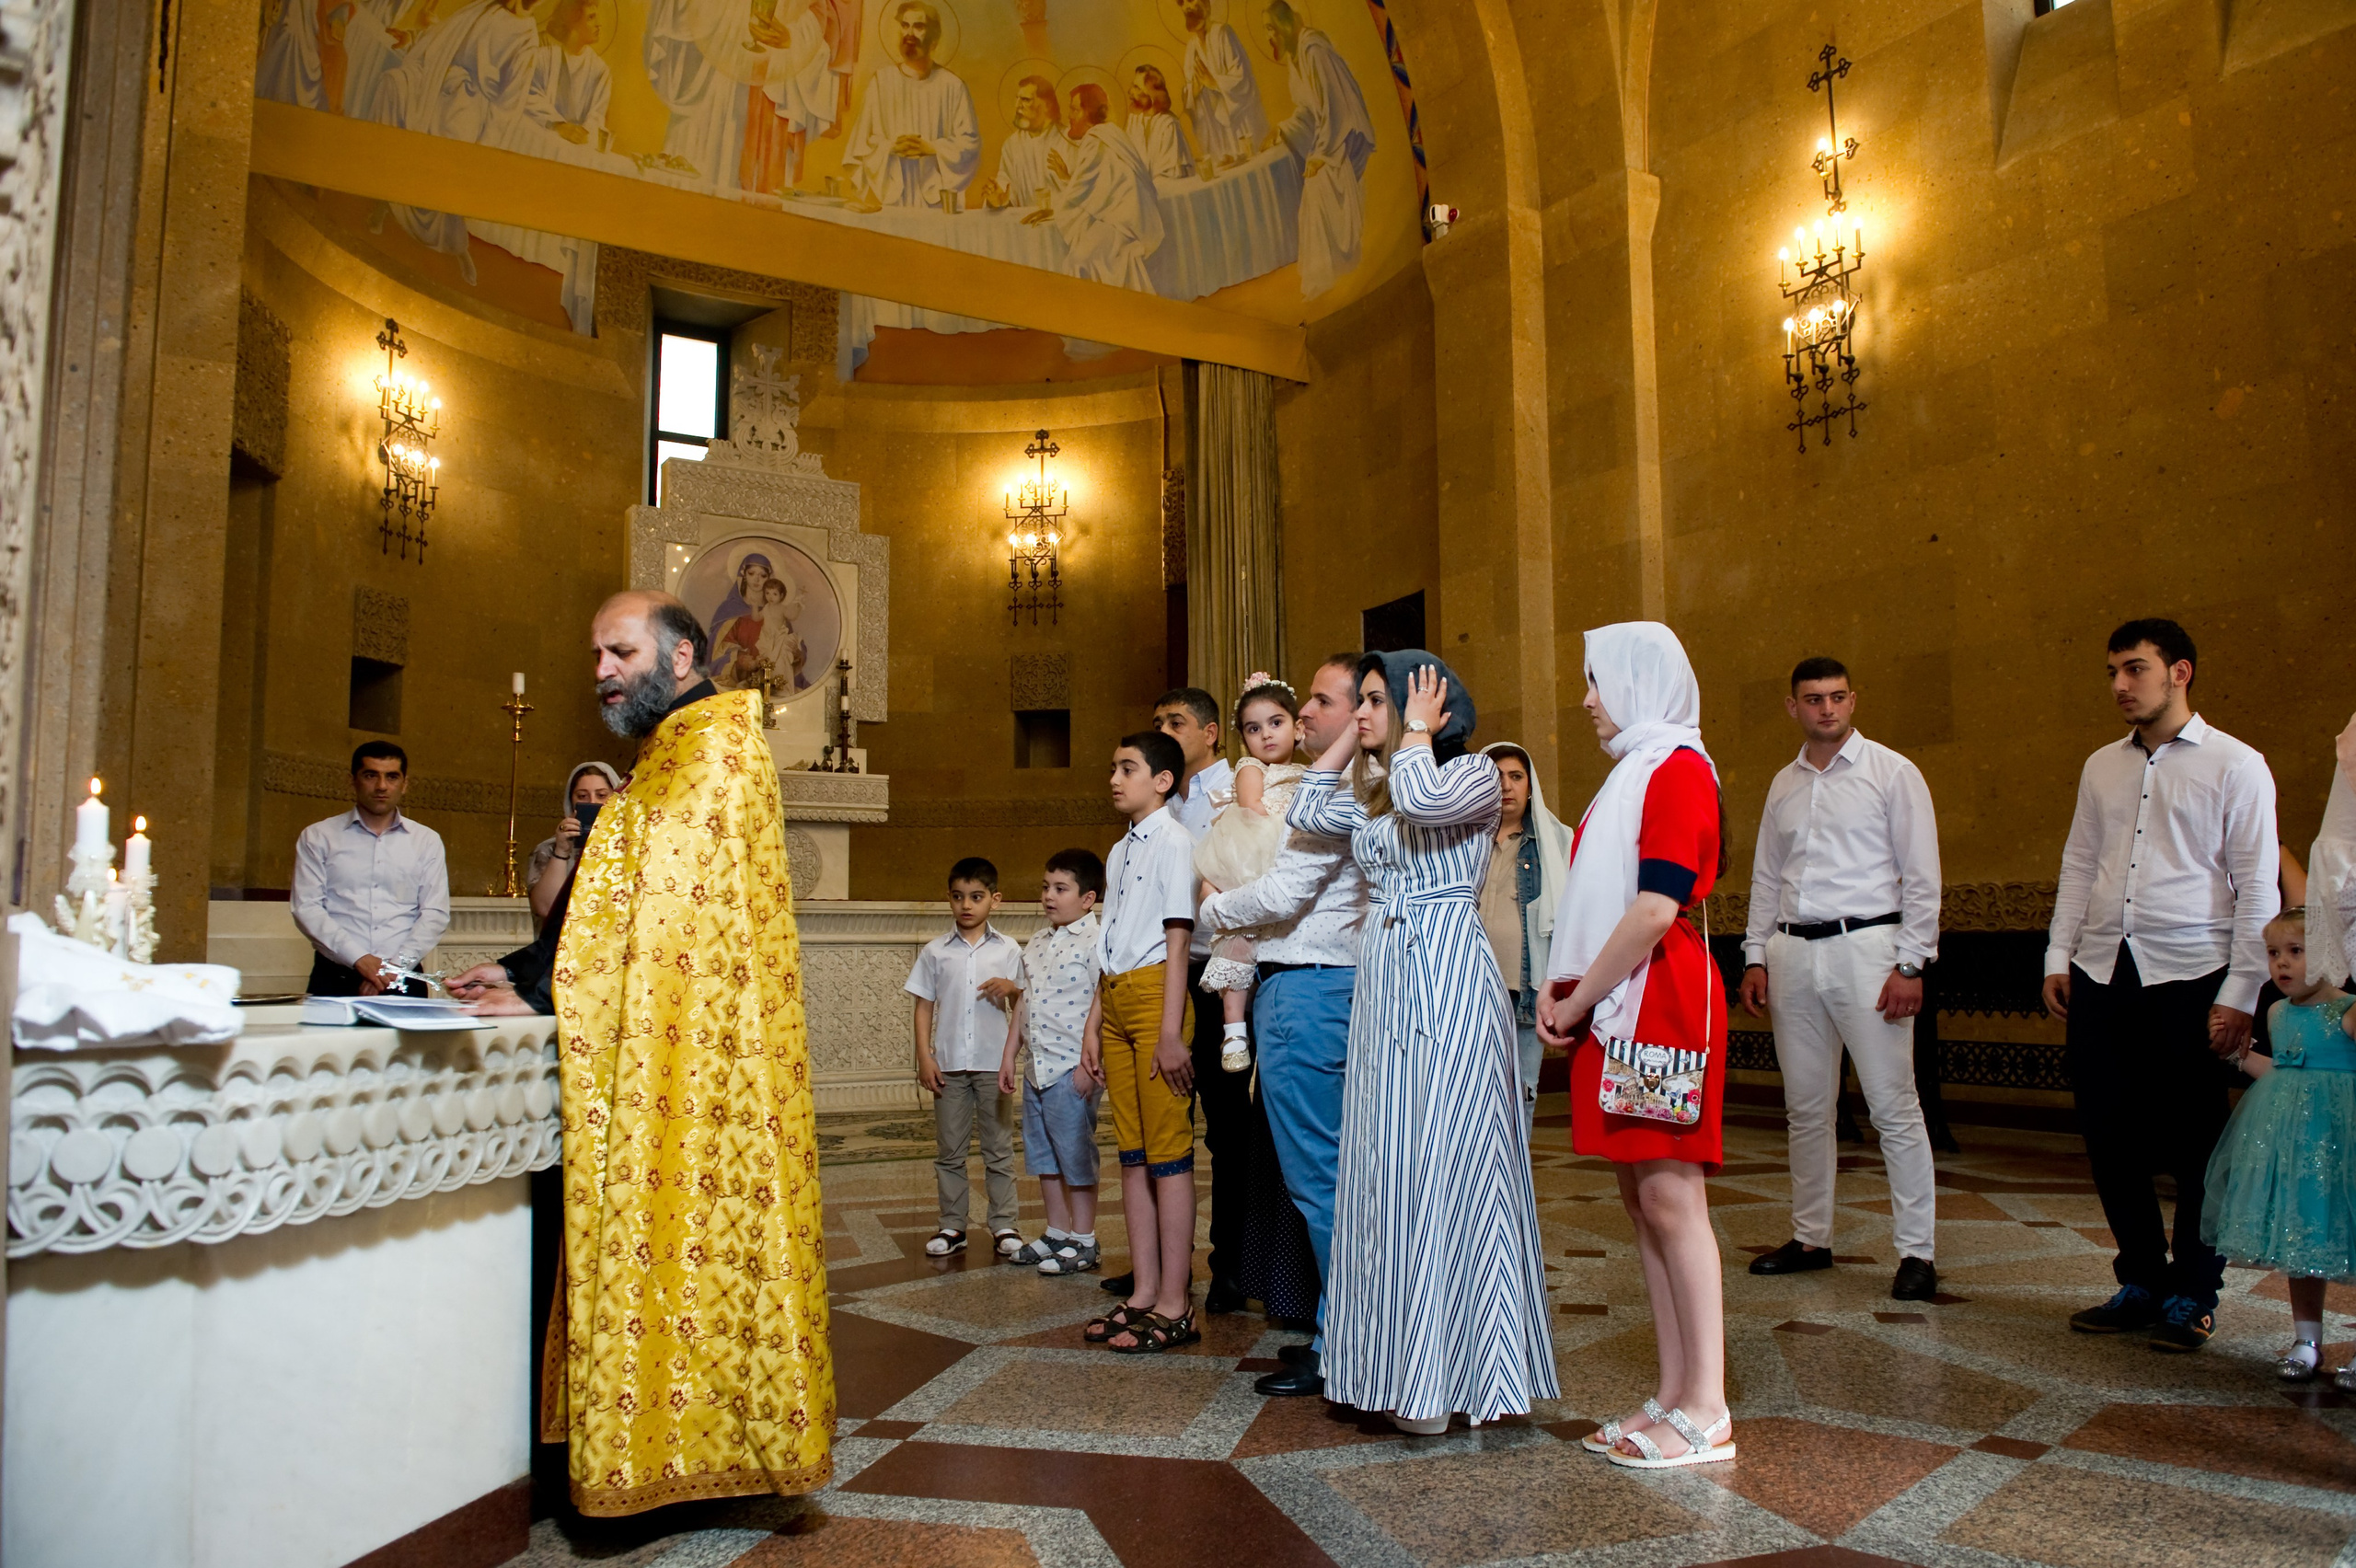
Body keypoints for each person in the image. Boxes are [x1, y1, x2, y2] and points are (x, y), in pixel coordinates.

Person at [447, 590, 832, 1512]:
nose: (601, 673)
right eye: (595, 656)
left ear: (682, 655)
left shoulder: (716, 752)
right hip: (662, 1056)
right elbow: (622, 909)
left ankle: (674, 1469)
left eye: (619, 652)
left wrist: (539, 987)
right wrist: (524, 974)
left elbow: (660, 925)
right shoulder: (666, 756)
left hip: (697, 1072)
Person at [1293, 651, 1555, 1434]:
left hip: (1446, 979)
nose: (1363, 712)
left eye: (1378, 699)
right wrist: (1353, 740)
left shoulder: (1471, 775)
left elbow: (1423, 793)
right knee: (1389, 1166)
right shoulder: (1373, 793)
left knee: (1448, 1160)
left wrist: (1410, 730)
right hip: (1385, 984)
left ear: (1429, 706)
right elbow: (1307, 811)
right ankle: (1396, 1369)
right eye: (1361, 701)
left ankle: (1460, 1380)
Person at [2046, 618, 2278, 1352]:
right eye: (2113, 670)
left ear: (2180, 672)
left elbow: (2257, 889)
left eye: (2135, 669)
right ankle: (2141, 1279)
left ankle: (2193, 1294)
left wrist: (2241, 993)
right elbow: (2080, 864)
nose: (2120, 684)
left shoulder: (2237, 765)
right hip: (2102, 969)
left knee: (2194, 1145)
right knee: (2110, 1135)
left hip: (2193, 975)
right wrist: (2058, 953)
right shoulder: (2100, 766)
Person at [1540, 621, 1734, 1470]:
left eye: (1597, 680)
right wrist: (1574, 992)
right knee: (1643, 1204)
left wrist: (1579, 997)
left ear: (1640, 680)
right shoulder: (1635, 771)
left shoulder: (1678, 768)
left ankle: (1709, 1408)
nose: (1587, 699)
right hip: (1625, 995)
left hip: (1656, 999)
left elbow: (1657, 908)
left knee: (1672, 1201)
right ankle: (1670, 1390)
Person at [1738, 656, 1944, 1301]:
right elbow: (1767, 877)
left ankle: (1917, 1252)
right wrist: (1754, 953)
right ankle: (1810, 1237)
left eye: (1836, 697)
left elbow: (1923, 877)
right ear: (1793, 708)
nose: (1826, 709)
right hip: (1795, 951)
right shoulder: (1783, 785)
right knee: (1805, 1108)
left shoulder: (1893, 772)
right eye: (1813, 699)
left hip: (1870, 948)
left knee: (1894, 1107)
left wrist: (1912, 961)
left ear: (1853, 701)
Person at [1198, 654, 1369, 1399]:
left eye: (1315, 706)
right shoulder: (1349, 783)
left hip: (1306, 986)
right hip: (1308, 984)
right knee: (1323, 1177)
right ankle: (1342, 1330)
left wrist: (1209, 910)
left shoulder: (1334, 790)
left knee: (1320, 1180)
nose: (1298, 723)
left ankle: (1351, 1344)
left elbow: (1283, 888)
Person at [1081, 731, 1201, 1353]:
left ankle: (1178, 1302)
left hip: (1159, 996)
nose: (1114, 778)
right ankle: (1144, 1292)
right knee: (1132, 1154)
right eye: (1112, 767)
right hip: (1119, 996)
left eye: (1127, 768)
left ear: (1163, 780)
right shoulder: (1117, 851)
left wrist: (1171, 1030)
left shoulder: (1177, 842)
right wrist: (1093, 1024)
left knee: (1169, 1155)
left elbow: (1178, 939)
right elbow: (1109, 944)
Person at [2203, 907, 2356, 1387]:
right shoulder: (2276, 1012)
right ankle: (2306, 1339)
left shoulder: (2349, 1011)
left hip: (2341, 1146)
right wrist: (2238, 1054)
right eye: (2273, 954)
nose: (2282, 965)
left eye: (2296, 951)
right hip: (2291, 1145)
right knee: (2300, 1239)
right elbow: (2282, 1074)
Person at [1147, 686, 1245, 1310]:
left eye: (1175, 722)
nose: (1163, 729)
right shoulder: (1156, 802)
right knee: (1164, 1121)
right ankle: (1161, 1269)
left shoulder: (1239, 792)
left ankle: (1231, 1265)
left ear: (1210, 733)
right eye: (1156, 722)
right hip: (1163, 975)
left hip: (1220, 972)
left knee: (1228, 1129)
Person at [906, 857, 1025, 1260]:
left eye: (976, 897)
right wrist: (925, 1056)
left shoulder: (1008, 949)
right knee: (950, 1151)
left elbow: (1023, 1002)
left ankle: (1004, 1223)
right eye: (958, 897)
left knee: (998, 1148)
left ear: (996, 900)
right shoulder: (936, 951)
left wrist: (1012, 987)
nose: (966, 905)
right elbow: (923, 1006)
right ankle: (953, 1225)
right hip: (950, 1065)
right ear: (949, 900)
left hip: (994, 1064)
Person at [999, 848, 1108, 1275]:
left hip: (1071, 1068)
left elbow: (1102, 1002)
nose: (1049, 896)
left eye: (1061, 888)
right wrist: (1011, 1055)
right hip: (1037, 1066)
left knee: (1075, 1154)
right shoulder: (1039, 940)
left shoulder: (1096, 941)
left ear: (1087, 898)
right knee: (1043, 1155)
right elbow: (1024, 1001)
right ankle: (1056, 1232)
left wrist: (1090, 1064)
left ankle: (1084, 1240)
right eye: (1046, 887)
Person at [1195, 680, 1308, 1073]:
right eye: (1253, 728)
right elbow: (1251, 810)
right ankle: (1234, 1029)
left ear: (1298, 726)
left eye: (1275, 722)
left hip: (1287, 859)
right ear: (1242, 738)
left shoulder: (1309, 771)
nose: (1266, 735)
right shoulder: (1250, 767)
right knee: (1238, 935)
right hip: (1252, 849)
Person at [291, 741, 450, 997]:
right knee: (326, 1040)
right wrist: (361, 960)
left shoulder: (426, 841)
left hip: (403, 977)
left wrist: (391, 969)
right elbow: (307, 907)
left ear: (404, 784)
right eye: (370, 775)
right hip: (336, 976)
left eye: (392, 777)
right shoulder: (318, 837)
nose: (381, 786)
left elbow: (434, 913)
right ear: (352, 781)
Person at [1478, 742, 1574, 1141]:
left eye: (1516, 777)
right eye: (1495, 777)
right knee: (1471, 1100)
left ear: (1530, 785)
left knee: (1520, 1098)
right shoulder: (1464, 842)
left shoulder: (1555, 841)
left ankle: (1514, 1198)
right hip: (1470, 990)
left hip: (1524, 994)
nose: (1506, 786)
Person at [1263, 0, 1373, 299]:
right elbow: (1309, 110)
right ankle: (1330, 267)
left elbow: (1335, 108)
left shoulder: (1314, 51)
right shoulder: (1295, 57)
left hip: (1343, 142)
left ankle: (1333, 267)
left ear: (1284, 25)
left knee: (1314, 185)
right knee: (1309, 184)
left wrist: (1322, 155)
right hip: (1327, 139)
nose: (1269, 37)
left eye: (1271, 29)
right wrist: (1284, 128)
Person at [842, 1, 977, 210]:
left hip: (937, 200)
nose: (910, 33)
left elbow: (970, 144)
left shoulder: (952, 86)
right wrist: (891, 147)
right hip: (894, 197)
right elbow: (861, 145)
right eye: (905, 25)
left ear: (933, 37)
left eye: (919, 27)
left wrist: (931, 148)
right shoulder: (881, 82)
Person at [1031, 83, 1164, 291]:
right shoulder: (1110, 134)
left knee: (1076, 263)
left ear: (1089, 112)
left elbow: (1082, 192)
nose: (1069, 116)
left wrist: (1055, 208)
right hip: (1128, 219)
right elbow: (1102, 186)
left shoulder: (1095, 140)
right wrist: (1068, 177)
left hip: (1121, 225)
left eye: (1074, 110)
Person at [526, 761, 621, 924]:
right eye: (583, 796)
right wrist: (561, 851)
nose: (592, 802)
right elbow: (546, 908)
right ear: (571, 802)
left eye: (602, 795)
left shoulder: (633, 847)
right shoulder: (548, 849)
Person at [1180, 0, 1267, 169]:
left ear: (1206, 4)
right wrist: (1194, 92)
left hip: (1239, 125)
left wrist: (1214, 82)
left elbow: (1242, 78)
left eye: (1191, 0)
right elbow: (1189, 95)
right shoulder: (1191, 48)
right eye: (1182, 3)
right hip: (1216, 134)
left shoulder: (1223, 33)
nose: (1187, 7)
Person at [981, 75, 1060, 208]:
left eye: (1025, 100)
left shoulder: (1067, 140)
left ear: (1047, 105)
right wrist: (999, 199)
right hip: (1025, 226)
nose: (1017, 105)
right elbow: (1005, 185)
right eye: (1017, 99)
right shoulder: (1012, 144)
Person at [1124, 64, 1194, 179]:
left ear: (1152, 95)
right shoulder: (1135, 121)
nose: (1130, 91)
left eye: (1137, 87)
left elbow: (1170, 175)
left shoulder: (1168, 125)